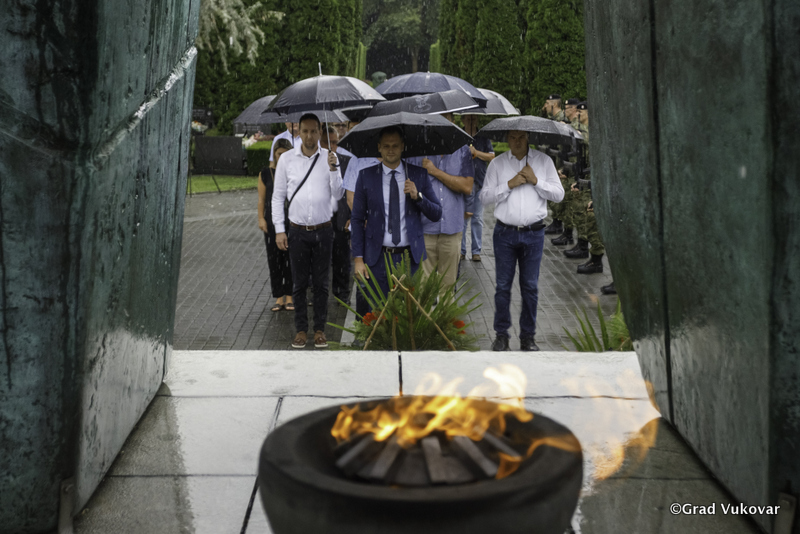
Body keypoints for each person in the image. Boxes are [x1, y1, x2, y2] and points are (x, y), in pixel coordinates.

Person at [480, 130, 564, 351]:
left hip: (533, 233)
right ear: (507, 139)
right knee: (502, 287)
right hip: (504, 233)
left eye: (521, 137)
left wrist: (536, 181)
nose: (516, 142)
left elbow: (559, 194)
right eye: (512, 138)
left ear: (528, 138)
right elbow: (484, 197)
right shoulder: (497, 164)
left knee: (530, 287)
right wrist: (509, 184)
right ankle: (501, 336)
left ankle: (528, 337)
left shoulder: (543, 161)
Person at [271, 114, 343, 349]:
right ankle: (301, 330)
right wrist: (279, 230)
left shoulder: (330, 158)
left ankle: (320, 329)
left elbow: (338, 194)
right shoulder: (287, 160)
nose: (309, 136)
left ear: (320, 131)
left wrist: (334, 169)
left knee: (322, 284)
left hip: (323, 230)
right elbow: (278, 197)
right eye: (305, 131)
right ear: (299, 132)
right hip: (298, 231)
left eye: (313, 131)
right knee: (299, 284)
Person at [351, 126, 442, 298]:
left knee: (408, 311)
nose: (390, 150)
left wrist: (418, 197)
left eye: (395, 146)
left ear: (402, 146)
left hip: (410, 258)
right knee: (378, 310)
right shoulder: (366, 176)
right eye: (386, 146)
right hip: (377, 258)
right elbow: (357, 219)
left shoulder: (418, 175)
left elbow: (437, 213)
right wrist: (358, 259)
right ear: (379, 147)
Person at [408, 113, 474, 293]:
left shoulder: (462, 150)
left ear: (453, 122)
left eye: (446, 120)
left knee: (447, 289)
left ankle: (445, 313)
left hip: (452, 229)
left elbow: (467, 186)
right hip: (424, 229)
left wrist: (435, 171)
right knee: (423, 290)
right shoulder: (416, 150)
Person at [258, 138, 295, 313]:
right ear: (274, 154)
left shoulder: (294, 172)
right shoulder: (266, 173)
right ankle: (279, 296)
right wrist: (261, 218)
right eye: (279, 154)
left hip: (292, 220)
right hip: (272, 221)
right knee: (274, 259)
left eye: (286, 154)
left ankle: (290, 295)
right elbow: (261, 199)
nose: (282, 157)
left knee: (291, 259)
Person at [319, 126, 353, 302]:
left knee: (342, 258)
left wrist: (351, 216)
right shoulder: (314, 163)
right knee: (319, 259)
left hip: (340, 217)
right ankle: (319, 293)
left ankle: (342, 293)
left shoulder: (347, 162)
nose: (331, 146)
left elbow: (352, 191)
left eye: (334, 142)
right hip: (320, 217)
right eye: (327, 142)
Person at [546, 97, 584, 238]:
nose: (565, 110)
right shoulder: (569, 124)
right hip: (567, 168)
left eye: (568, 108)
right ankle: (564, 230)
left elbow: (578, 152)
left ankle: (570, 234)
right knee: (564, 201)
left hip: (575, 171)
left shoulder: (578, 127)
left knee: (571, 204)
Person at [460, 114, 494, 262]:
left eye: (473, 118)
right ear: (463, 120)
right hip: (463, 184)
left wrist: (476, 152)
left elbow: (491, 156)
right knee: (462, 219)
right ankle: (461, 250)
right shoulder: (459, 135)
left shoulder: (483, 137)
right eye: (468, 119)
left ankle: (476, 251)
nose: (471, 121)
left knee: (477, 218)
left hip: (480, 182)